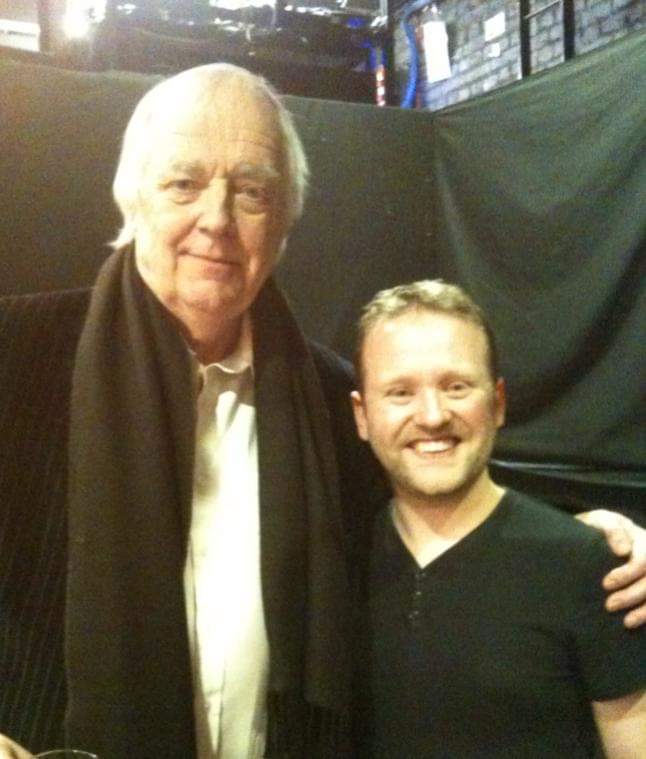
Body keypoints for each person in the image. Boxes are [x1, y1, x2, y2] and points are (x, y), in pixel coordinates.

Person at [0, 66, 644, 759]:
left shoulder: (329, 399)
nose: (216, 218)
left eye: (251, 191)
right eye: (183, 183)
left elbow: (440, 481)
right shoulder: (17, 355)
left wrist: (597, 535)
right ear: (132, 199)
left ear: (281, 225)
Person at [350, 280, 646, 758]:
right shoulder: (338, 560)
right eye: (400, 392)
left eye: (456, 386)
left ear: (498, 403)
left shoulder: (589, 564)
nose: (432, 415)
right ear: (362, 416)